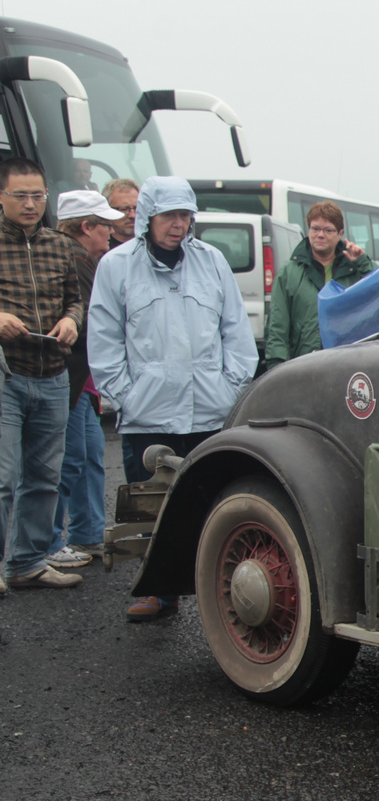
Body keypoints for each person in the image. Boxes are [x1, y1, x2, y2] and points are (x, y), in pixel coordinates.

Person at [88, 176, 257, 620]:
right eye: (169, 216)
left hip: (208, 409)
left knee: (211, 500)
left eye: (185, 215)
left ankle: (219, 592)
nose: (179, 225)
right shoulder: (116, 265)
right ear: (147, 218)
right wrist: (124, 395)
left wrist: (231, 386)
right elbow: (103, 337)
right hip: (149, 413)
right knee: (150, 504)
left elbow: (236, 331)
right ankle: (156, 589)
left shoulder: (212, 261)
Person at [0, 158, 86, 592]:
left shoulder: (59, 245)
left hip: (53, 373)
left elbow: (75, 299)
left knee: (43, 477)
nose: (31, 204)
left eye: (38, 195)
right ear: (2, 197)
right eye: (21, 195)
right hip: (6, 374)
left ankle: (27, 562)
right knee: (2, 476)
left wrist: (72, 320)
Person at [45, 191, 123, 570]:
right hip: (67, 376)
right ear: (86, 227)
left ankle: (87, 533)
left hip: (78, 379)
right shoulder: (73, 260)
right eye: (104, 224)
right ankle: (46, 543)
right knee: (65, 459)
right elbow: (92, 321)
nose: (111, 230)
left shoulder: (81, 259)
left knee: (89, 454)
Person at [264, 200, 374, 371]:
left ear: (340, 233)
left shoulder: (356, 269)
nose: (320, 235)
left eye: (328, 230)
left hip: (346, 367)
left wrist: (363, 263)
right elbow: (277, 327)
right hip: (301, 367)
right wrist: (277, 368)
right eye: (315, 229)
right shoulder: (289, 272)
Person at [103, 178, 139, 246]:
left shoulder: (157, 246)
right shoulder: (98, 250)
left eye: (136, 208)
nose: (132, 215)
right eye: (124, 209)